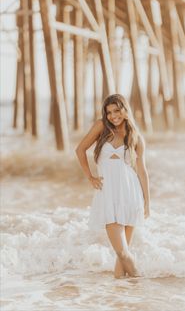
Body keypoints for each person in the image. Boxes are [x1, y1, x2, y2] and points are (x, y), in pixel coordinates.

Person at [75, 94, 150, 278]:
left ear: (125, 110)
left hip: (131, 195)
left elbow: (142, 171)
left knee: (121, 256)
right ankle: (140, 286)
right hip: (108, 196)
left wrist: (147, 202)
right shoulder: (102, 127)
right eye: (109, 112)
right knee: (122, 252)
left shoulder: (136, 137)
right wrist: (90, 177)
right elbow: (80, 149)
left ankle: (122, 296)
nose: (113, 116)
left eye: (117, 110)